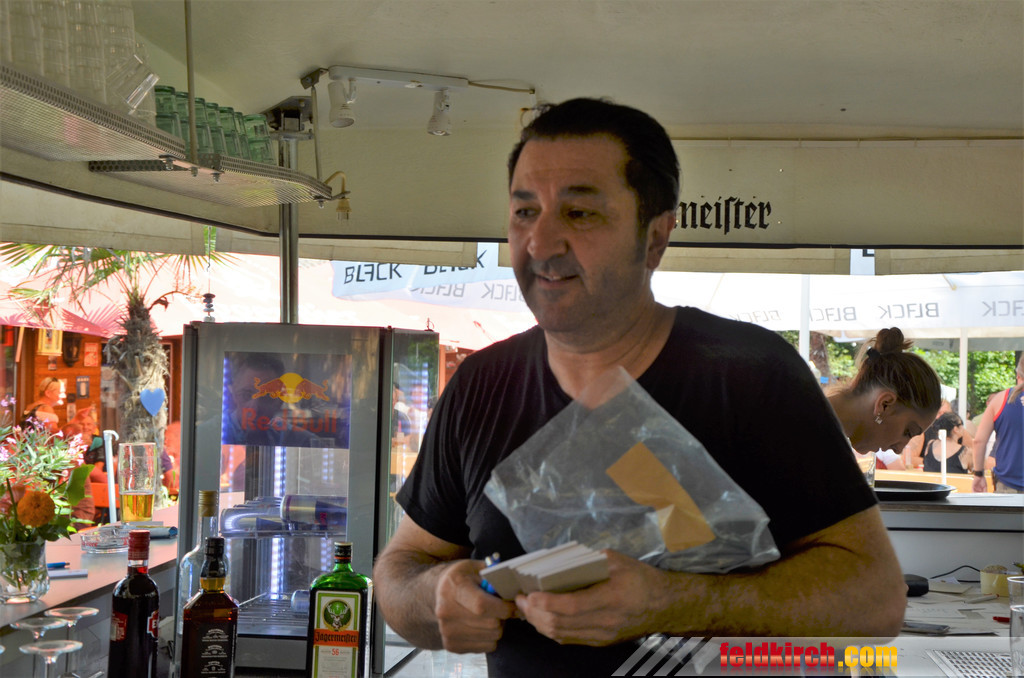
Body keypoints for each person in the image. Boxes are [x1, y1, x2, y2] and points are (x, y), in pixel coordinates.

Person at [373, 98, 905, 677]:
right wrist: (438, 594)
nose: (540, 243)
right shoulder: (481, 386)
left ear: (655, 238)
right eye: (525, 211)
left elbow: (875, 599)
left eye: (579, 212)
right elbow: (401, 572)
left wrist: (673, 601)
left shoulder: (753, 375)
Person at [826, 328, 942, 458]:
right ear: (885, 404)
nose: (899, 450)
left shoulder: (821, 431)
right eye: (908, 432)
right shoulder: (812, 436)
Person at [972, 354, 1024, 493]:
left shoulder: (1000, 399)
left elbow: (979, 441)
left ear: (1018, 374)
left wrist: (978, 474)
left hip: (1008, 485)